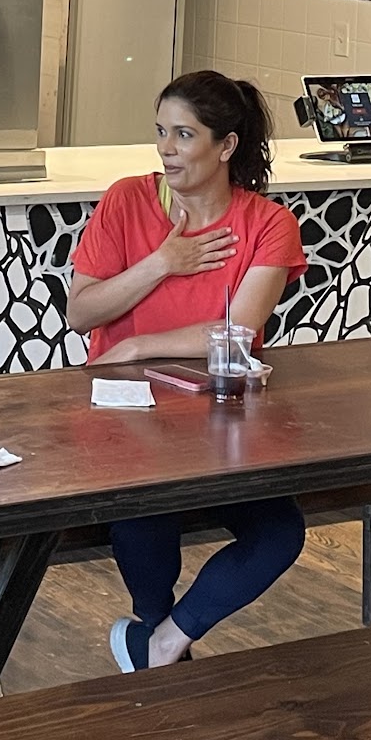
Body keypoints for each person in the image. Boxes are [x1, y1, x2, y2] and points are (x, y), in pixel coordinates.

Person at [66, 70, 307, 671]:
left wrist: (136, 345)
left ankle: (163, 643)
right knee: (145, 507)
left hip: (221, 428)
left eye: (183, 134)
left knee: (280, 533)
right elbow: (81, 312)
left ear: (226, 146)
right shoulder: (126, 200)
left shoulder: (269, 224)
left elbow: (237, 332)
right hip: (127, 424)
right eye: (160, 132)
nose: (165, 149)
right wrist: (161, 263)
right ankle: (155, 635)